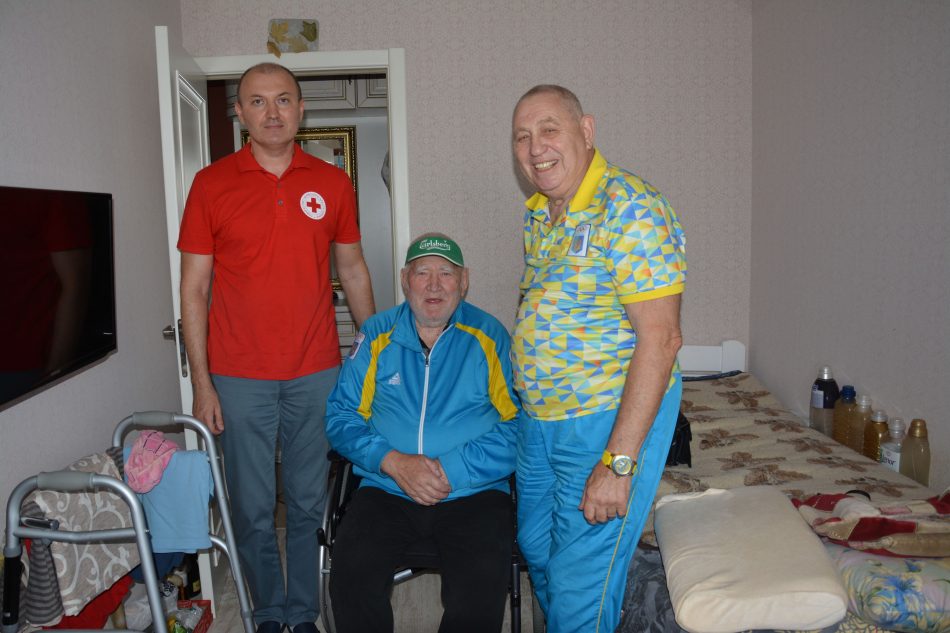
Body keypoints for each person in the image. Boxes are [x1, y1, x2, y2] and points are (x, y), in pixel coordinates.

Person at [177, 62, 375, 633]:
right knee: (253, 506)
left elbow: (352, 269)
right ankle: (268, 613)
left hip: (316, 370)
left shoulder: (332, 182)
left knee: (311, 500)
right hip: (238, 376)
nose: (272, 112)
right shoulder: (210, 184)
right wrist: (202, 383)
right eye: (258, 102)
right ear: (240, 113)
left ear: (300, 110)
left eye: (283, 99)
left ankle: (304, 612)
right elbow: (194, 289)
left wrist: (378, 349)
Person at [510, 84, 687, 633]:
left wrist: (618, 464)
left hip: (602, 420)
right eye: (522, 136)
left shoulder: (629, 206)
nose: (535, 147)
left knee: (578, 586)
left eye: (549, 129)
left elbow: (661, 339)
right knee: (536, 548)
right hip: (540, 423)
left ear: (586, 131)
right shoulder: (540, 214)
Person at [324, 234, 521, 633]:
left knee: (480, 586)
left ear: (464, 281)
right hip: (387, 488)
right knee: (352, 573)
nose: (434, 285)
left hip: (474, 492)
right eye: (422, 273)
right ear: (404, 280)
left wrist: (452, 469)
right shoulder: (376, 335)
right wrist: (392, 462)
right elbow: (341, 416)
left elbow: (519, 426)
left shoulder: (490, 336)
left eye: (446, 273)